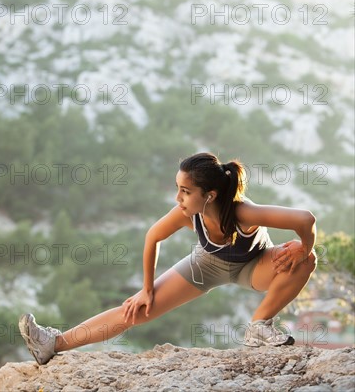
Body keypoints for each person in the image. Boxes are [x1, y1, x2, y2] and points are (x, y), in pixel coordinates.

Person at [19, 152, 317, 364]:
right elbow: (152, 237)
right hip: (206, 265)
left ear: (210, 195)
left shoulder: (243, 213)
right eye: (178, 189)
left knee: (308, 259)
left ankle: (259, 326)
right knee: (135, 310)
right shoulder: (186, 213)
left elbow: (305, 218)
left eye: (185, 191)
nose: (178, 198)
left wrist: (304, 247)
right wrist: (147, 290)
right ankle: (53, 343)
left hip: (255, 266)